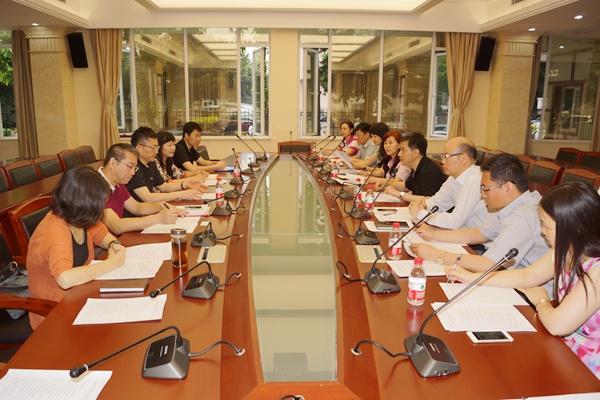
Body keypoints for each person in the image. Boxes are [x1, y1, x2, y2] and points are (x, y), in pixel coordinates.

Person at [446, 182, 600, 379]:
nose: (543, 232)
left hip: (589, 365)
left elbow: (558, 325)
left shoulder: (597, 271)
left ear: (574, 227)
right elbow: (525, 276)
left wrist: (541, 301)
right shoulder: (564, 250)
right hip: (564, 349)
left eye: (547, 226)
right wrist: (473, 278)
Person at [410, 153, 549, 280]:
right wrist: (433, 234)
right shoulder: (514, 205)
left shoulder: (522, 216)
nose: (482, 195)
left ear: (508, 188)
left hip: (527, 292)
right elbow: (479, 233)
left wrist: (437, 255)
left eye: (486, 189)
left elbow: (489, 265)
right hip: (510, 279)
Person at [27, 166, 127, 329]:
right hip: (54, 313)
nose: (103, 206)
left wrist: (113, 244)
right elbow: (65, 279)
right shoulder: (54, 229)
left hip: (81, 296)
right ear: (86, 203)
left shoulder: (80, 217)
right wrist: (111, 263)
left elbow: (103, 235)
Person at [99, 143, 185, 235]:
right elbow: (117, 226)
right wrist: (158, 218)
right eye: (130, 166)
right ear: (112, 163)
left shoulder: (118, 184)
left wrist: (160, 205)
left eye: (135, 168)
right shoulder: (95, 187)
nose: (133, 173)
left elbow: (136, 207)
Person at [408, 137, 491, 229]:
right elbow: (438, 202)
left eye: (447, 156)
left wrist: (422, 214)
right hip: (463, 233)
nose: (443, 161)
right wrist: (423, 205)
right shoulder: (453, 178)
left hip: (480, 237)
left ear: (463, 158)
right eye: (442, 157)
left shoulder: (476, 179)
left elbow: (455, 221)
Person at [126, 126, 207, 203]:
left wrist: (187, 184)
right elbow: (148, 198)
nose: (156, 151)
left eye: (157, 148)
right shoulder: (132, 168)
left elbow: (164, 186)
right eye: (153, 148)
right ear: (139, 148)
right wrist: (181, 194)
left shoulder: (151, 163)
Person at [383, 132, 447, 201]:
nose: (399, 154)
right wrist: (385, 185)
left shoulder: (428, 171)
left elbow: (428, 200)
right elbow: (406, 186)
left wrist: (398, 194)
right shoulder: (416, 167)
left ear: (415, 153)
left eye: (403, 150)